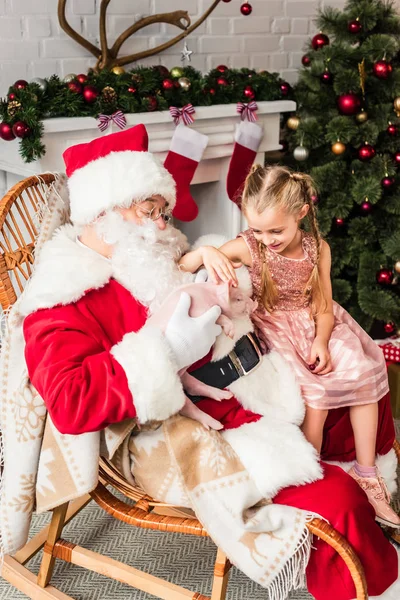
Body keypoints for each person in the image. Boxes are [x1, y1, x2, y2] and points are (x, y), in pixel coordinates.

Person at [21, 129, 399, 600]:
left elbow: (198, 276)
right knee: (335, 500)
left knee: (362, 405)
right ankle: (376, 583)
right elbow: (71, 401)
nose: (163, 225)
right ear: (105, 214)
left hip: (250, 379)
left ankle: (376, 518)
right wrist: (167, 351)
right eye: (150, 213)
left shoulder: (145, 251)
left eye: (163, 212)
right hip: (182, 428)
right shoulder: (61, 298)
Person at [179, 163, 400, 529]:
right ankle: (311, 477)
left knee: (364, 370)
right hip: (276, 328)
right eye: (259, 230)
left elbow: (324, 305)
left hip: (318, 324)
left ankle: (367, 474)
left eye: (276, 230)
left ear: (301, 213)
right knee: (314, 390)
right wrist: (206, 254)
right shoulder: (251, 247)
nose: (267, 238)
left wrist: (322, 341)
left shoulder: (318, 249)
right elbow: (184, 263)